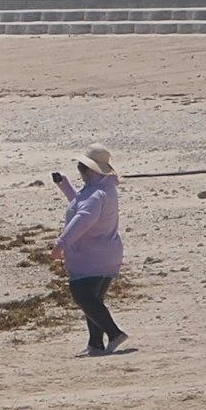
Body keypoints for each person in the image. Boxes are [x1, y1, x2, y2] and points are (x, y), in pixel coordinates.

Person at [54, 149, 128, 355]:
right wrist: (64, 185)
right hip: (106, 255)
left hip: (93, 256)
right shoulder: (101, 188)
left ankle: (114, 333)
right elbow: (80, 203)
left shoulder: (96, 194)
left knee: (83, 297)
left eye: (81, 167)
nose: (79, 171)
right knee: (93, 301)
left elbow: (83, 218)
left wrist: (61, 244)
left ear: (89, 169)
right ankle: (95, 344)